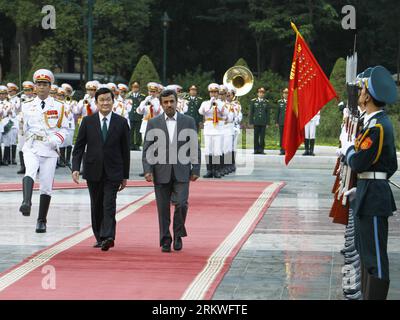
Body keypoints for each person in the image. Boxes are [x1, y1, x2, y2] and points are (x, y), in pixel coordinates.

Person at [341, 65, 398, 300]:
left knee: (375, 255)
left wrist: (348, 152)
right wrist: (364, 182)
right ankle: (366, 294)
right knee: (366, 252)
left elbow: (360, 162)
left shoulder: (378, 126)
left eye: (362, 90)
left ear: (369, 96)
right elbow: (385, 165)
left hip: (374, 196)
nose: (360, 93)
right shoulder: (376, 123)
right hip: (370, 190)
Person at [72, 87, 130, 251]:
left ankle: (108, 236)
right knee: (96, 204)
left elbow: (125, 151)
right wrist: (76, 167)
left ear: (113, 101)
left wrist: (125, 175)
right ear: (96, 102)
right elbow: (79, 147)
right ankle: (99, 236)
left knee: (109, 203)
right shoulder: (87, 121)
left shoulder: (121, 122)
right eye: (102, 100)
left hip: (114, 171)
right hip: (93, 170)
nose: (105, 103)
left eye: (108, 99)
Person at [142, 89, 200, 253]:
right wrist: (147, 169)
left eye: (171, 101)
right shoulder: (153, 123)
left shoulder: (188, 121)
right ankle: (165, 239)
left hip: (182, 171)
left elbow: (194, 145)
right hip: (160, 171)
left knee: (181, 204)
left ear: (176, 102)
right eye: (165, 102)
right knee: (163, 208)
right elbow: (148, 148)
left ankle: (178, 234)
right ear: (161, 104)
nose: (169, 105)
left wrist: (195, 168)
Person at [19, 69, 69, 233]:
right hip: (32, 146)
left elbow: (65, 129)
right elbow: (24, 128)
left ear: (50, 86)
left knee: (46, 185)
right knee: (30, 171)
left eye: (45, 84)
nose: (41, 87)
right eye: (38, 84)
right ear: (35, 87)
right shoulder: (26, 106)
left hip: (49, 149)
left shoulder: (59, 107)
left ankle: (41, 220)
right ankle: (26, 202)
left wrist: (56, 140)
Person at [199, 83, 226, 178]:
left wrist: (217, 105)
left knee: (217, 150)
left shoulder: (222, 103)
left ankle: (217, 170)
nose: (213, 94)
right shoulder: (205, 103)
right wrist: (210, 104)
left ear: (218, 93)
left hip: (218, 129)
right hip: (208, 128)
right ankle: (209, 170)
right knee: (208, 150)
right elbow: (201, 111)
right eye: (212, 92)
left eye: (215, 92)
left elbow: (224, 114)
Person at [249, 87, 270, 155]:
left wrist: (267, 123)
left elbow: (268, 113)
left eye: (262, 93)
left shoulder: (266, 102)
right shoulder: (253, 101)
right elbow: (251, 112)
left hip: (263, 122)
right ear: (257, 93)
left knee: (262, 137)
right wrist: (251, 122)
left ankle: (261, 150)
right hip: (256, 122)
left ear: (264, 94)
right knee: (256, 136)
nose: (261, 94)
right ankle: (256, 149)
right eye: (260, 92)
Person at [126, 81, 146, 150]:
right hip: (131, 115)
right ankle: (131, 144)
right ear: (131, 87)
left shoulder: (142, 96)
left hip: (138, 116)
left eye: (137, 87)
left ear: (139, 87)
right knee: (130, 131)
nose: (135, 88)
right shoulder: (128, 96)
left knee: (138, 131)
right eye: (134, 87)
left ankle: (137, 144)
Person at [276, 88, 288, 155]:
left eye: (287, 93)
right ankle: (282, 149)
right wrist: (277, 122)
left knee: (287, 137)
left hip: (288, 123)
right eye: (284, 93)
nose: (286, 95)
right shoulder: (279, 102)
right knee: (282, 136)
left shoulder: (291, 102)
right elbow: (277, 113)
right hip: (281, 122)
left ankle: (287, 149)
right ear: (283, 94)